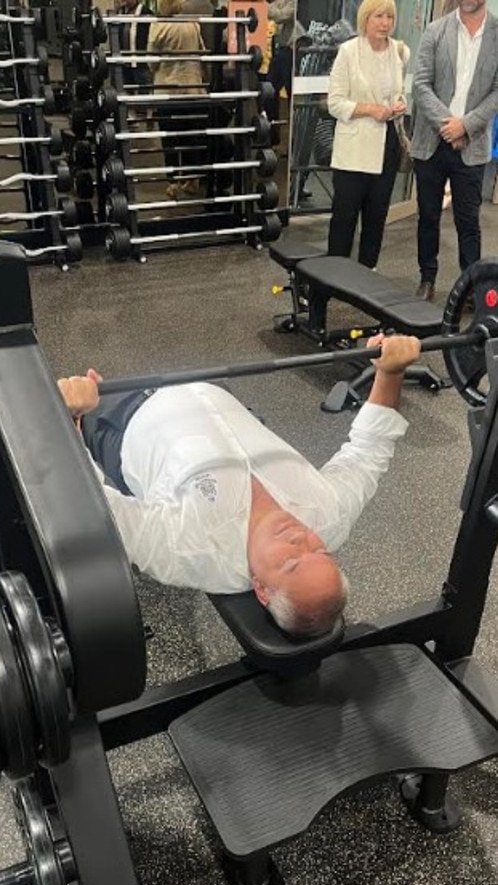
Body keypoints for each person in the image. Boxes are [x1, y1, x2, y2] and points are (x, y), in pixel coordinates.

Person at [57, 334, 421, 638]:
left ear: (260, 588)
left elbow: (99, 511)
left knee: (79, 397)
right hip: (212, 394)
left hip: (126, 419)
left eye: (292, 563)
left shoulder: (188, 550)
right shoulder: (330, 516)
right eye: (321, 552)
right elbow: (369, 452)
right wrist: (390, 372)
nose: (302, 540)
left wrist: (70, 418)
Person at [411, 0, 498, 303]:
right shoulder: (435, 31)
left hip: (471, 145)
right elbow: (421, 85)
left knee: (468, 222)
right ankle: (427, 278)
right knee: (428, 217)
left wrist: (466, 126)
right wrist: (448, 126)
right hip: (432, 142)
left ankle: (471, 288)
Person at [326, 0, 410, 269]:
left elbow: (397, 92)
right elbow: (335, 103)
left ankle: (367, 275)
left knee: (376, 217)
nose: (385, 23)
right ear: (366, 18)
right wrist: (370, 109)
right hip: (354, 150)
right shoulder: (349, 52)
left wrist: (399, 104)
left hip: (387, 144)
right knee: (344, 217)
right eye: (379, 16)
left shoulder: (398, 52)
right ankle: (335, 276)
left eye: (389, 17)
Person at [148, 0, 207, 199]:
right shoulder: (193, 24)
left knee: (170, 138)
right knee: (191, 136)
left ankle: (172, 182)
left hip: (167, 92)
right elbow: (202, 53)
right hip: (192, 89)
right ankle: (191, 180)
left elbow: (151, 61)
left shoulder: (159, 26)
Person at [117, 0, 154, 95]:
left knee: (143, 91)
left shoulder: (145, 12)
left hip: (140, 61)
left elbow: (152, 35)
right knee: (127, 91)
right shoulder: (120, 12)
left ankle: (142, 109)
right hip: (124, 61)